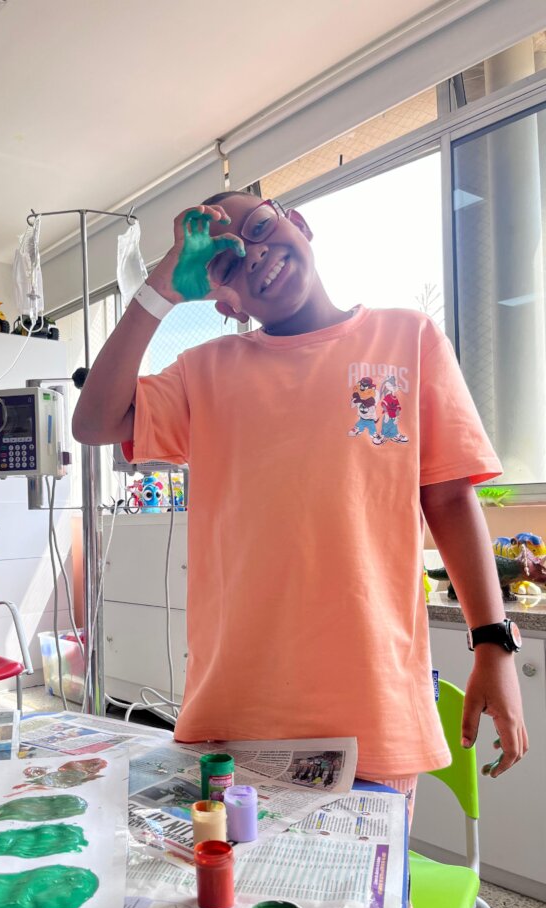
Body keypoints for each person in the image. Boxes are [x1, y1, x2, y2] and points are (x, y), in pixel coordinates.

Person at [72, 190, 528, 802]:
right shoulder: (204, 371)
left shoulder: (408, 339)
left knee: (364, 897)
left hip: (372, 709)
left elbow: (447, 499)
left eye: (261, 226)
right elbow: (95, 422)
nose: (256, 254)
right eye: (228, 262)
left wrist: (494, 644)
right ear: (223, 302)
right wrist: (163, 290)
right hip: (235, 710)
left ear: (300, 224)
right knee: (229, 894)